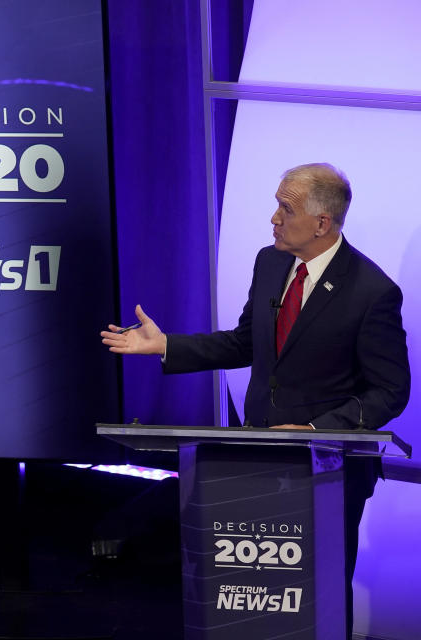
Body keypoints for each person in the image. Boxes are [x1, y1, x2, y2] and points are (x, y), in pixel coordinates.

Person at [100, 163, 410, 637]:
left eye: (285, 209)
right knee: (252, 594)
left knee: (318, 595)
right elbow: (246, 343)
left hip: (328, 474)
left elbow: (390, 391)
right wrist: (166, 346)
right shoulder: (271, 263)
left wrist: (315, 432)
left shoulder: (373, 292)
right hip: (255, 461)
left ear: (322, 223)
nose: (274, 218)